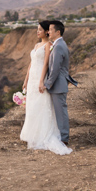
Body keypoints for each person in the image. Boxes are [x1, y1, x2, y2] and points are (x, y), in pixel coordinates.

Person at [20, 21, 72, 155]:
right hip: (32, 78)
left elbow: (49, 66)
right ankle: (33, 133)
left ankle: (61, 138)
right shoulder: (40, 45)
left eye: (43, 30)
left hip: (41, 79)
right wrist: (26, 80)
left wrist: (44, 82)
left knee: (47, 107)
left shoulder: (53, 45)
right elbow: (31, 64)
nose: (45, 32)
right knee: (32, 106)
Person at [43, 20, 77, 144]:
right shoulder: (58, 44)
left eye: (50, 30)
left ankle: (64, 139)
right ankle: (61, 135)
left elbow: (55, 68)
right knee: (58, 112)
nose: (48, 32)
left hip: (58, 85)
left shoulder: (59, 46)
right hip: (58, 84)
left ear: (57, 32)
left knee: (61, 112)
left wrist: (47, 84)